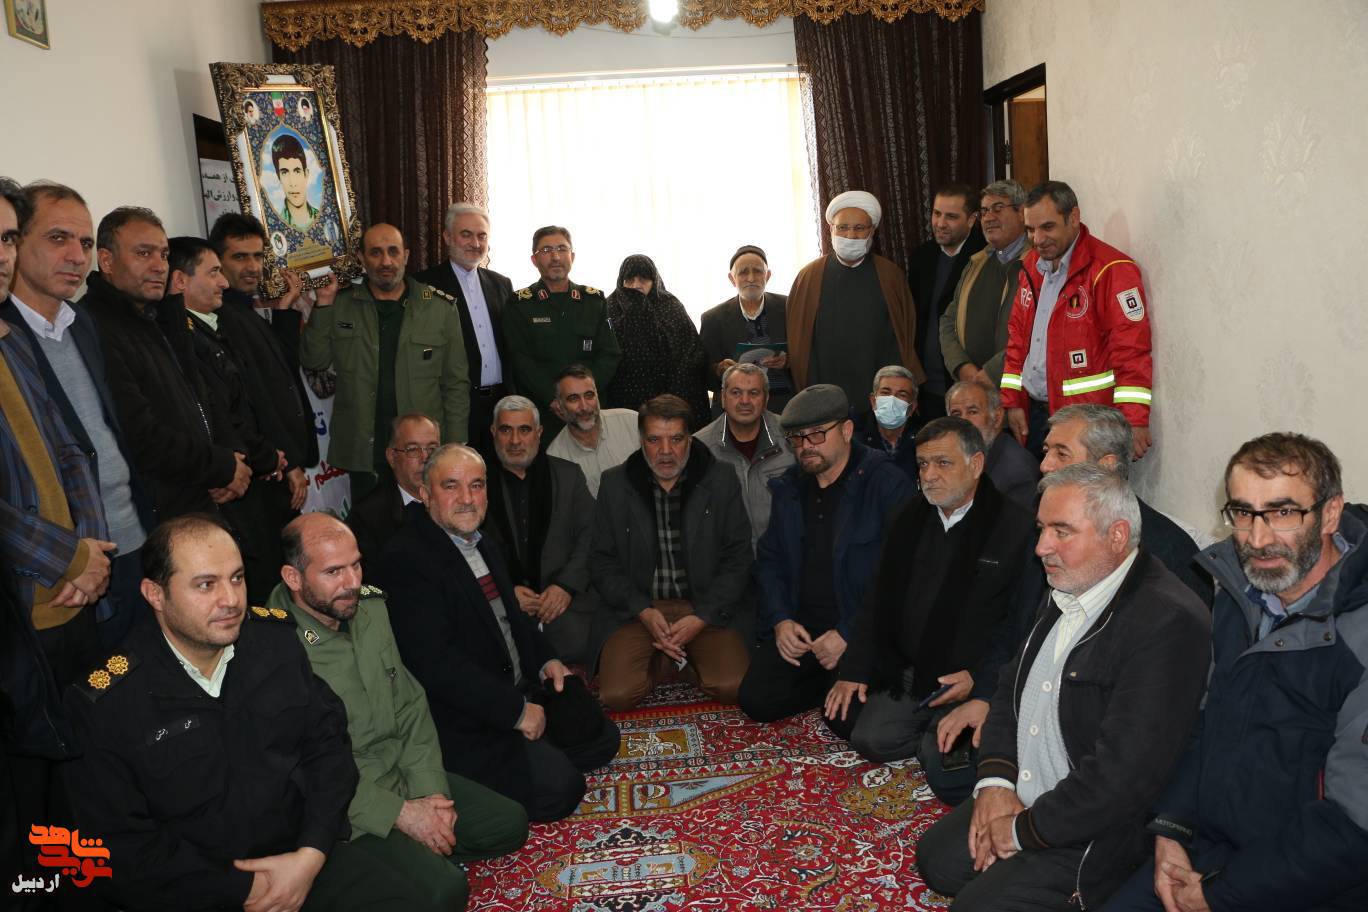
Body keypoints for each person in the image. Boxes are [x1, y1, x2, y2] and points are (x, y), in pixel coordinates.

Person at [63, 515, 436, 911]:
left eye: (237, 578)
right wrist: (247, 888)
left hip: (303, 858)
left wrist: (311, 852)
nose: (231, 600)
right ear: (155, 594)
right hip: (203, 893)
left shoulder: (275, 644)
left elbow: (329, 752)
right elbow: (119, 848)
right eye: (206, 584)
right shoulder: (108, 703)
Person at [915, 463, 1211, 911]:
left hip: (1095, 828)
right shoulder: (1071, 582)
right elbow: (1011, 687)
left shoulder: (1167, 622)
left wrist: (1021, 832)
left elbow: (1120, 779)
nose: (1041, 547)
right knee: (936, 860)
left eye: (1061, 531)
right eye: (1041, 529)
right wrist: (996, 783)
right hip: (1033, 789)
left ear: (1117, 535)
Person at [1104, 433, 1368, 912]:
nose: (1258, 539)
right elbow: (1203, 724)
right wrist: (1172, 829)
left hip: (1310, 883)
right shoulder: (1236, 597)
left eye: (1283, 512)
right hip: (1209, 850)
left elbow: (1353, 825)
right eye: (1243, 513)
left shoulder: (1359, 635)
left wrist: (1219, 895)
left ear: (1330, 514)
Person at [270, 513, 529, 912]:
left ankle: (416, 854)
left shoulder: (369, 608)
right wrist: (401, 815)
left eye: (356, 565)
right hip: (347, 804)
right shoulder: (272, 647)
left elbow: (410, 704)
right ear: (293, 577)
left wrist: (430, 791)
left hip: (401, 772)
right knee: (445, 894)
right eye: (334, 571)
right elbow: (305, 769)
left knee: (509, 824)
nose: (352, 582)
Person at [374, 445, 620, 822]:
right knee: (561, 790)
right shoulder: (407, 557)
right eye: (451, 486)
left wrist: (546, 660)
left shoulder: (480, 541)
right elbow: (436, 666)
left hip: (516, 685)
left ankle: (535, 750)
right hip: (467, 713)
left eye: (476, 485)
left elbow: (514, 619)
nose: (467, 498)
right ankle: (492, 766)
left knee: (603, 738)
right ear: (425, 494)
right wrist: (515, 713)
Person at [825, 417, 1034, 764]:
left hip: (973, 677)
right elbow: (877, 599)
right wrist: (855, 670)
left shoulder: (1015, 528)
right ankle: (923, 722)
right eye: (922, 464)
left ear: (976, 465)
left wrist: (981, 683)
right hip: (913, 670)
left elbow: (1019, 624)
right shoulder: (909, 517)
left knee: (940, 760)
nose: (929, 475)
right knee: (861, 732)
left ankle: (940, 730)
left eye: (943, 463)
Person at [4, 183, 152, 647]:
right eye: (57, 238)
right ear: (18, 242)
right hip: (59, 567)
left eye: (85, 243)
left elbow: (97, 436)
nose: (76, 256)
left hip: (128, 539)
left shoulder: (82, 321)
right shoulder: (8, 335)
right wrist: (75, 558)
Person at [737, 384, 915, 724]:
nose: (806, 446)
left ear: (846, 431)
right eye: (797, 438)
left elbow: (899, 576)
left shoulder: (886, 484)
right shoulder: (791, 486)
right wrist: (781, 621)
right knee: (757, 700)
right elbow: (770, 559)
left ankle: (843, 681)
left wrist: (848, 633)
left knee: (846, 721)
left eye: (817, 434)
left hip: (859, 629)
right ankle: (825, 682)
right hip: (803, 628)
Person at [81, 206, 251, 519]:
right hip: (162, 511)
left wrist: (225, 462)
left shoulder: (154, 316)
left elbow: (200, 402)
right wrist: (219, 466)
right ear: (106, 261)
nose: (159, 266)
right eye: (143, 253)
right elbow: (141, 436)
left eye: (163, 255)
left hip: (199, 494)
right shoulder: (94, 327)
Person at [591, 395, 753, 710]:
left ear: (689, 439)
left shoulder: (721, 478)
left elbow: (739, 557)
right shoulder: (614, 484)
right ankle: (668, 661)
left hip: (703, 606)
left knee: (734, 686)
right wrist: (643, 610)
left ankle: (678, 660)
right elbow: (601, 561)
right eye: (654, 440)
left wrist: (702, 617)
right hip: (641, 609)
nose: (666, 451)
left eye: (676, 439)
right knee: (617, 695)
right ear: (641, 440)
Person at [300, 222, 470, 499]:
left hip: (423, 453)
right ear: (361, 258)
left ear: (406, 255)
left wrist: (454, 444)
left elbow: (456, 383)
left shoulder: (439, 308)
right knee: (370, 524)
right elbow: (314, 360)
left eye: (393, 251)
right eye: (376, 252)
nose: (386, 261)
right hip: (364, 449)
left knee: (426, 522)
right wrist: (323, 304)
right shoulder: (339, 304)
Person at [167, 236, 287, 604]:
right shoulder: (184, 340)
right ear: (180, 281)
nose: (223, 282)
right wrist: (261, 457)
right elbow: (222, 414)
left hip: (245, 472)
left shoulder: (209, 328)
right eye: (214, 272)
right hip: (227, 481)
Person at [1000, 181, 1154, 458]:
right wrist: (1012, 400)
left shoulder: (1111, 270)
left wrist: (1134, 420)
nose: (1037, 239)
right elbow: (1017, 340)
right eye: (1030, 230)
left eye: (1047, 227)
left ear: (1073, 217)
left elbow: (1131, 352)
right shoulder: (1031, 267)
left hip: (1087, 423)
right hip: (1033, 416)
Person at [1042, 404, 1211, 603]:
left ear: (1106, 466)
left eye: (1062, 454)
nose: (1045, 465)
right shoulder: (1039, 528)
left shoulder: (1169, 552)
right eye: (1046, 451)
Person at [484, 395, 605, 667]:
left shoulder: (568, 476)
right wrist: (506, 591)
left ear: (538, 433)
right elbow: (466, 547)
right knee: (496, 656)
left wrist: (565, 586)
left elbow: (593, 534)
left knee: (580, 646)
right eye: (506, 430)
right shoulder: (476, 483)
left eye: (524, 430)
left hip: (562, 602)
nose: (515, 440)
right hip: (501, 603)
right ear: (493, 433)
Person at [209, 213, 317, 513]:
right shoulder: (222, 317)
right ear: (217, 261)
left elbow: (280, 368)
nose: (253, 267)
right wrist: (287, 461)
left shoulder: (244, 310)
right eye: (240, 257)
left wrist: (284, 309)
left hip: (278, 462)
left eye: (258, 256)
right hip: (268, 467)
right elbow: (258, 398)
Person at [786, 191, 924, 415]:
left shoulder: (891, 276)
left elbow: (903, 339)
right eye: (843, 227)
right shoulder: (808, 278)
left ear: (872, 231)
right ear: (831, 229)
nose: (850, 235)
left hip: (880, 401)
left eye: (859, 228)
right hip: (824, 402)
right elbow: (799, 345)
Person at [413, 203, 514, 457]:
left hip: (501, 405)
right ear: (447, 237)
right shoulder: (423, 285)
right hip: (455, 407)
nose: (475, 243)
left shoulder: (501, 284)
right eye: (466, 234)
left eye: (482, 236)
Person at [502, 226, 620, 432]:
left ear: (572, 256)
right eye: (546, 250)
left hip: (589, 411)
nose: (555, 257)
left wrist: (585, 396)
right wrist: (554, 398)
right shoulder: (520, 304)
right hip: (543, 411)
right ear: (534, 260)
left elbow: (610, 354)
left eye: (562, 249)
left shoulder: (594, 301)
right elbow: (520, 360)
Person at [906, 182, 987, 419]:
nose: (940, 223)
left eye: (951, 217)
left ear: (971, 220)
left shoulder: (984, 257)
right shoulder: (922, 256)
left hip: (968, 384)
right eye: (937, 213)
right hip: (926, 386)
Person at [939, 179, 1030, 389]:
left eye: (998, 208)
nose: (988, 218)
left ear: (1021, 212)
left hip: (1016, 390)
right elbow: (948, 321)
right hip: (972, 387)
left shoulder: (1036, 265)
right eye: (984, 211)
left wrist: (991, 373)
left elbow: (1036, 333)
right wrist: (962, 367)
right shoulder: (976, 262)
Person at [694, 361, 795, 547]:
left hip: (786, 554)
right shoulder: (700, 448)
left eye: (753, 393)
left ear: (766, 399)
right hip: (729, 558)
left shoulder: (792, 438)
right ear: (723, 398)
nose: (745, 401)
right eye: (736, 392)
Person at [603, 253, 710, 426]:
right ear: (621, 282)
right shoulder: (609, 309)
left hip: (670, 397)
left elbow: (691, 352)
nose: (636, 285)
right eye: (630, 280)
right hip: (623, 401)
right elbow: (604, 356)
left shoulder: (671, 306)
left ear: (654, 281)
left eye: (643, 279)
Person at [699, 244, 793, 416]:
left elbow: (810, 356)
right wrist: (720, 369)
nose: (751, 278)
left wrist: (788, 362)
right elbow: (702, 374)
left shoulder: (790, 308)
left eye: (757, 271)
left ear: (767, 276)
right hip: (736, 408)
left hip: (784, 406)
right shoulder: (713, 319)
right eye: (743, 272)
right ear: (732, 278)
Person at [347, 413, 440, 576]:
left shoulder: (457, 497)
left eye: (432, 449)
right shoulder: (367, 517)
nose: (425, 458)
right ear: (391, 457)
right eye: (413, 449)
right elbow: (367, 583)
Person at [544, 364, 638, 498]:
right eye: (573, 398)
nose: (584, 407)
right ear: (559, 406)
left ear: (597, 396)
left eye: (589, 395)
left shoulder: (632, 422)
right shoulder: (556, 457)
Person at [946, 378, 1039, 510]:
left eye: (973, 412)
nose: (964, 422)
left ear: (997, 418)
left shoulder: (1017, 473)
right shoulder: (954, 457)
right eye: (956, 414)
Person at [853, 365, 923, 482]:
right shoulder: (853, 438)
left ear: (912, 408)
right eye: (885, 392)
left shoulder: (924, 439)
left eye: (902, 394)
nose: (892, 400)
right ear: (873, 401)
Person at [273, 132, 318, 230]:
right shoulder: (277, 226)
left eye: (297, 171)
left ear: (306, 174)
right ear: (278, 177)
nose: (293, 183)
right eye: (284, 173)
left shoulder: (320, 217)